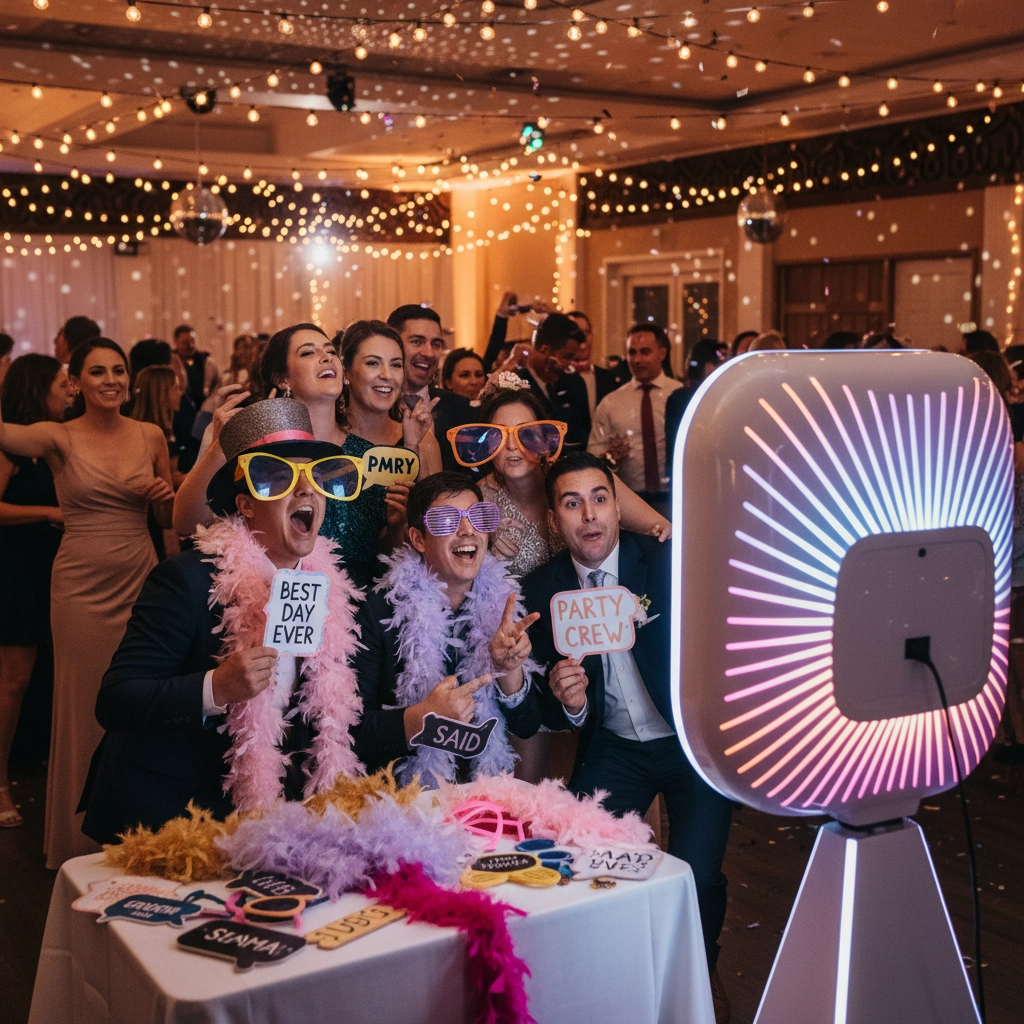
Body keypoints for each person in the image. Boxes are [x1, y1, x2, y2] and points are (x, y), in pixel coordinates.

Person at [81, 399, 364, 842]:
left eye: (315, 478)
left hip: (266, 822)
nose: (306, 491)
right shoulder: (187, 580)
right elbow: (116, 700)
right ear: (245, 505)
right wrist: (215, 687)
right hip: (168, 820)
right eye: (279, 478)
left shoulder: (326, 590)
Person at [521, 452, 733, 1022]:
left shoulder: (667, 561)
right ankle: (616, 987)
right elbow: (543, 706)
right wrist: (568, 700)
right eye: (572, 504)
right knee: (584, 871)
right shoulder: (542, 591)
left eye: (599, 499)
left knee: (697, 878)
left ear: (618, 507)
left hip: (690, 745)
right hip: (613, 747)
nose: (589, 515)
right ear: (553, 520)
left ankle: (700, 975)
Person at [0, 337, 175, 866]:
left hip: (140, 576)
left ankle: (138, 828)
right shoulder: (59, 435)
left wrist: (163, 498)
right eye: (97, 372)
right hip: (78, 586)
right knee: (83, 698)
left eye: (118, 370)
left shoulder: (149, 434)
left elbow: (169, 521)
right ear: (75, 382)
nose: (111, 380)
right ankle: (81, 842)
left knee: (141, 693)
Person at [173, 321, 439, 589]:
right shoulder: (258, 450)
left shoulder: (366, 458)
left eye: (330, 351)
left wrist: (395, 527)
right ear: (283, 379)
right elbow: (186, 525)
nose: (326, 357)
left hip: (359, 608)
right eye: (308, 352)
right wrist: (222, 446)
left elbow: (386, 557)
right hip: (270, 602)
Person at [352, 471, 541, 782]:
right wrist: (420, 719)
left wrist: (509, 671)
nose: (467, 530)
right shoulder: (378, 612)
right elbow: (351, 734)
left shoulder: (504, 607)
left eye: (478, 517)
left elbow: (527, 725)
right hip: (403, 799)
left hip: (483, 794)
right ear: (418, 539)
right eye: (446, 521)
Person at [0, 355, 71, 827]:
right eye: (62, 384)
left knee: (46, 674)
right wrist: (48, 513)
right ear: (38, 389)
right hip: (17, 569)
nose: (69, 392)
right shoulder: (11, 448)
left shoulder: (55, 442)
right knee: (13, 680)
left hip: (55, 567)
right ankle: (0, 782)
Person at [588, 322, 683, 516]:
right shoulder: (611, 403)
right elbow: (593, 459)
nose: (637, 360)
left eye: (645, 352)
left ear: (662, 353)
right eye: (632, 352)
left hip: (676, 497)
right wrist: (610, 457)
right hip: (628, 502)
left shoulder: (680, 395)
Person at [387, 305, 473, 472]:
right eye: (417, 342)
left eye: (436, 344)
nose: (429, 353)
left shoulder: (462, 410)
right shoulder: (374, 409)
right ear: (391, 344)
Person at [513, 312, 591, 447]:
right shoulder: (518, 386)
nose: (570, 365)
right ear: (545, 350)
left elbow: (582, 438)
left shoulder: (574, 383)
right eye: (567, 357)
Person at [665, 337, 726, 481]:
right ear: (709, 367)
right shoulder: (682, 399)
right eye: (722, 363)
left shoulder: (678, 398)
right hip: (697, 473)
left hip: (692, 475)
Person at [568, 310, 628, 416]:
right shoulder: (555, 379)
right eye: (577, 333)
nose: (583, 338)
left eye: (587, 332)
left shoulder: (608, 378)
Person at [173, 324, 219, 407]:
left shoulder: (207, 361)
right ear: (176, 342)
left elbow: (215, 388)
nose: (190, 346)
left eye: (193, 341)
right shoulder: (170, 362)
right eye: (185, 343)